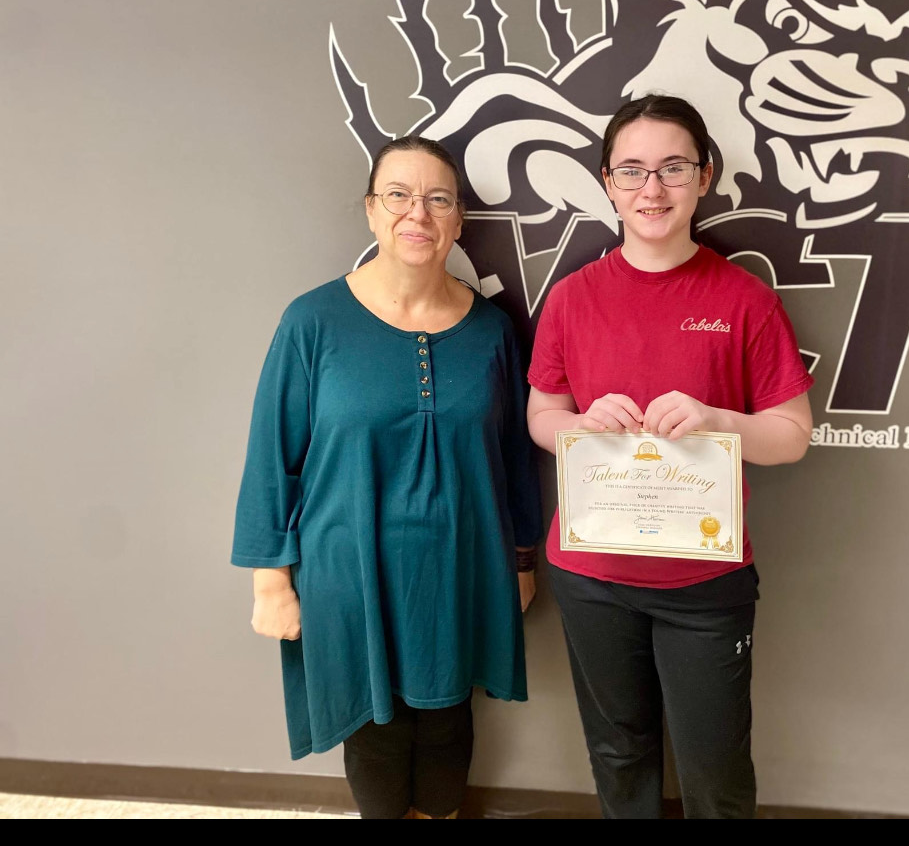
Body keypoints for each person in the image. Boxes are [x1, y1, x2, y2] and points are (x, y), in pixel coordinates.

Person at [231, 134, 541, 819]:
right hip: (348, 574)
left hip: (458, 570)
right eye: (397, 195)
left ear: (459, 219)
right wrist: (270, 579)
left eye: (438, 199)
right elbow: (270, 455)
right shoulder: (312, 320)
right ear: (371, 212)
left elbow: (515, 457)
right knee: (374, 731)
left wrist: (522, 558)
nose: (417, 214)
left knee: (448, 722)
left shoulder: (492, 330)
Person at [526, 94, 815, 819]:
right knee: (619, 755)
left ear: (705, 176)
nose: (652, 189)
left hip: (704, 579)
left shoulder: (745, 299)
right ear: (607, 183)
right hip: (591, 571)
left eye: (672, 168)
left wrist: (719, 420)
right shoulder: (571, 298)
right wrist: (579, 425)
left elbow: (791, 434)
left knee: (714, 767)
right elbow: (540, 415)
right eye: (632, 171)